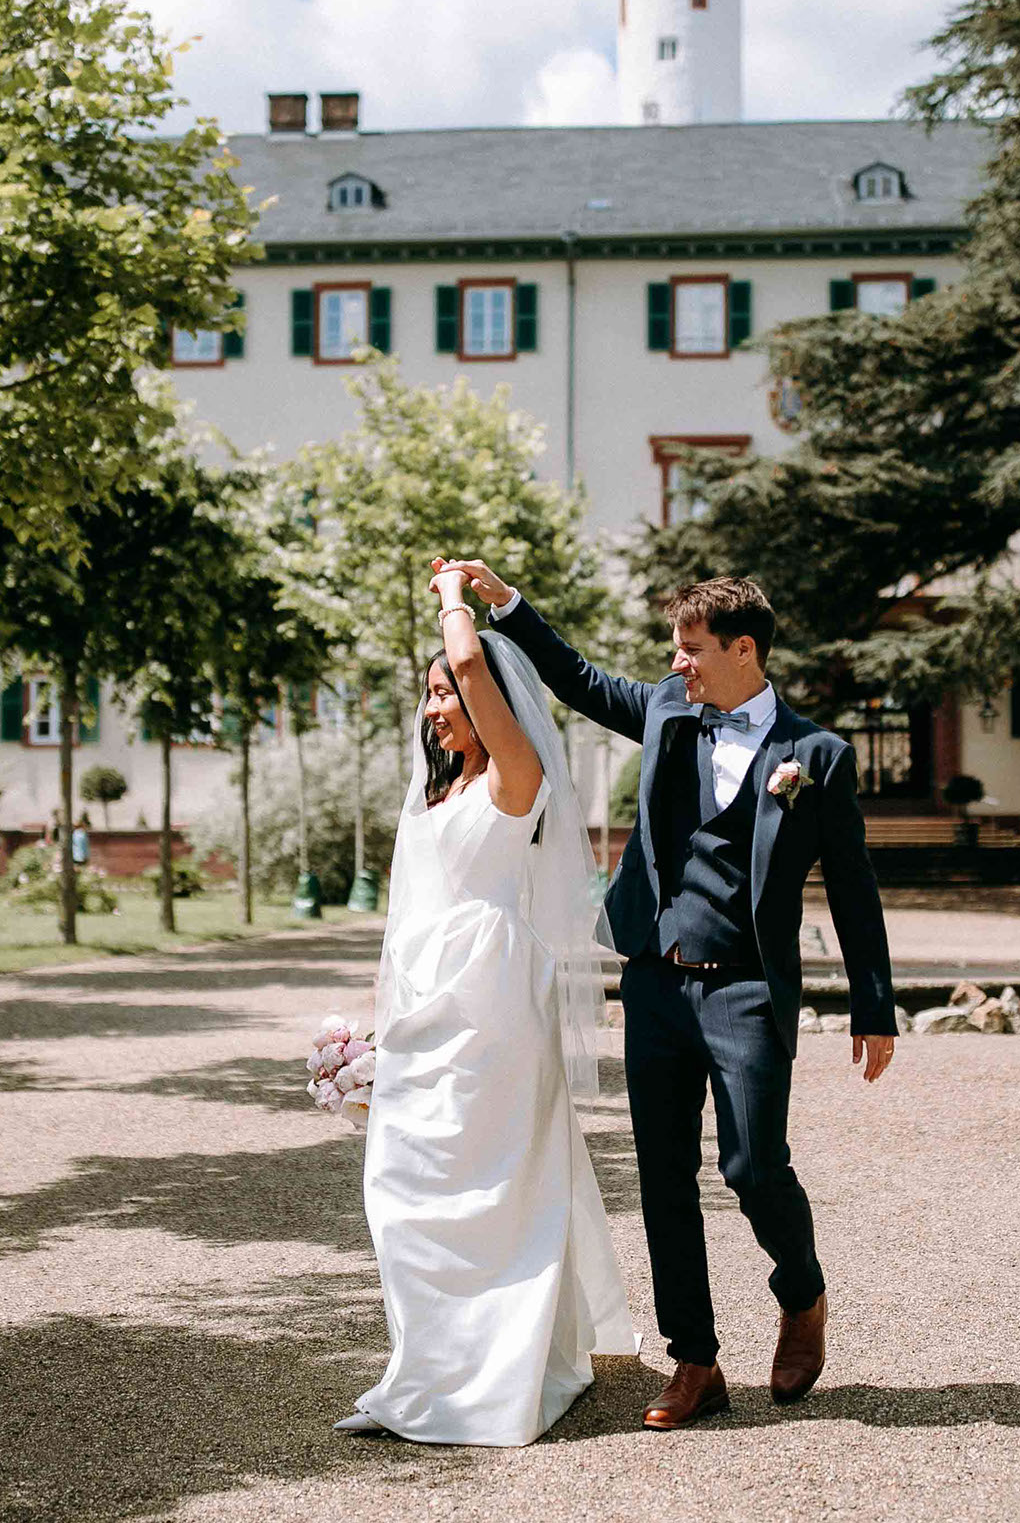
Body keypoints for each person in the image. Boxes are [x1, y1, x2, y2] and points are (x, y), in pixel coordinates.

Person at [433, 560, 894, 1431]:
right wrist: (504, 603)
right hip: (654, 980)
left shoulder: (817, 755)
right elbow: (574, 679)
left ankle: (802, 1294)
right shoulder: (668, 711)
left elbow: (855, 888)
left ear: (744, 649)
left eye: (690, 649)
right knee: (663, 1179)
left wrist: (874, 1005)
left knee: (754, 1165)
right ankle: (696, 1362)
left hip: (750, 987)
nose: (675, 662)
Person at [335, 563, 638, 1446]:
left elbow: (475, 667)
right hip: (423, 1007)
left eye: (447, 693)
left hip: (493, 1004)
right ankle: (419, 1373)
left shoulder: (519, 776)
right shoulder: (434, 790)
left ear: (493, 705)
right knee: (399, 1192)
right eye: (427, 696)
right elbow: (404, 914)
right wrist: (371, 1033)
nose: (436, 708)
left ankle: (492, 1380)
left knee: (489, 1193)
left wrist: (455, 597)